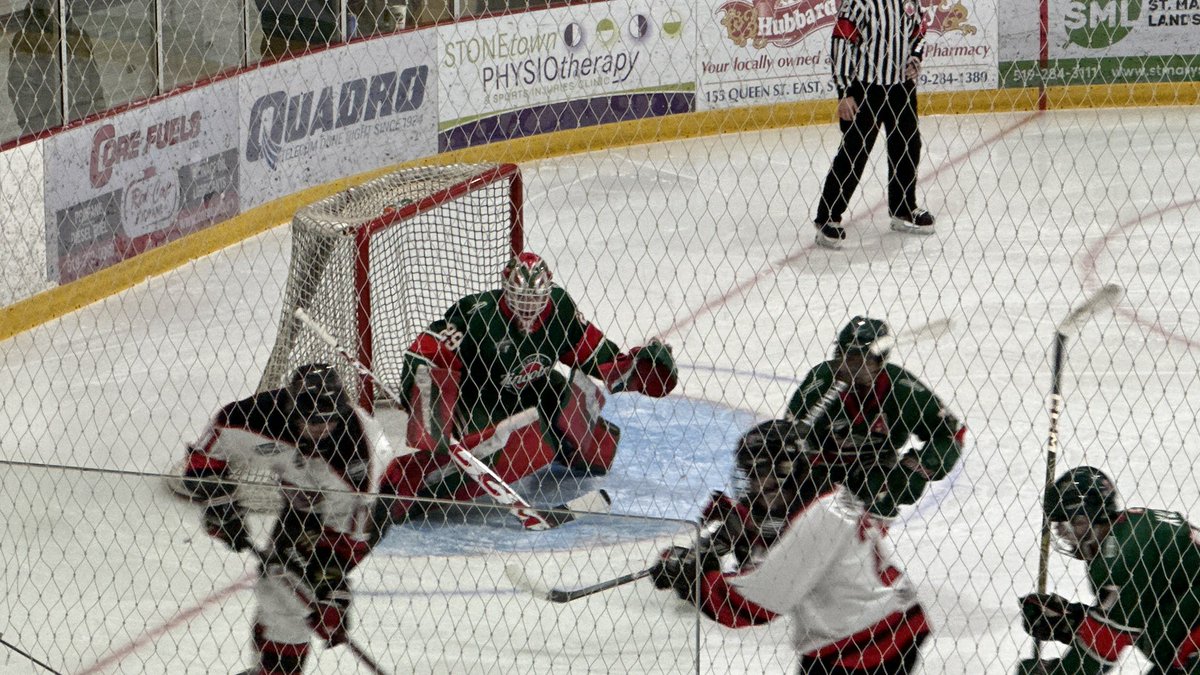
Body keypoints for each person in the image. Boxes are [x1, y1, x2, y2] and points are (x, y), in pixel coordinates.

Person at [380, 250, 677, 522]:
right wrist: (429, 402)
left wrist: (632, 369)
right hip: (481, 398)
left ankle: (563, 447)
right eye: (520, 298)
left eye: (535, 299)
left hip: (536, 387)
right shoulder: (479, 314)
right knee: (484, 459)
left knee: (593, 444)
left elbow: (589, 349)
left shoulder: (560, 308)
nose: (528, 307)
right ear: (505, 291)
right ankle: (405, 486)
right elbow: (426, 352)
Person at [649, 419, 932, 675]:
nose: (756, 485)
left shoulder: (819, 516)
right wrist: (698, 562)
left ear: (791, 467)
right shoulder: (818, 498)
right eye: (751, 474)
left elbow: (760, 601)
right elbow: (762, 547)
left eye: (763, 472)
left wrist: (695, 581)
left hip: (867, 641)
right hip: (875, 627)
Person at [181, 363, 388, 675]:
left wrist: (332, 591)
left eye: (330, 420)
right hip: (298, 509)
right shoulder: (257, 416)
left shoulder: (359, 449)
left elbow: (351, 538)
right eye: (314, 421)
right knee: (276, 589)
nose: (323, 429)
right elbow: (203, 456)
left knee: (292, 595)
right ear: (293, 410)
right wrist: (221, 506)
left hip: (364, 514)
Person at [1017, 466, 1200, 675]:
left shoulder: (1122, 554)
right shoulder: (1130, 529)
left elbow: (1103, 648)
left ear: (1099, 515)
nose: (1066, 534)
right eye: (1060, 525)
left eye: (1075, 522)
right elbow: (1142, 614)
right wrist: (1077, 620)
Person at [785, 316, 964, 519]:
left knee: (886, 489)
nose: (848, 367)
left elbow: (951, 433)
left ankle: (867, 541)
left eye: (858, 360)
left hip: (875, 465)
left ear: (879, 360)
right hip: (824, 464)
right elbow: (788, 432)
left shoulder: (902, 389)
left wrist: (916, 468)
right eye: (844, 356)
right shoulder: (821, 381)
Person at [812, 0, 934, 249]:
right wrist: (844, 91)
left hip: (901, 87)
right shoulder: (859, 3)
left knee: (908, 145)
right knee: (855, 151)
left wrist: (915, 56)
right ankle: (827, 217)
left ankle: (903, 208)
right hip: (864, 89)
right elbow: (841, 42)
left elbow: (919, 30)